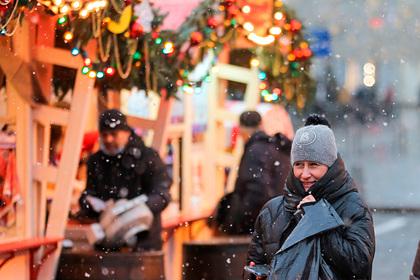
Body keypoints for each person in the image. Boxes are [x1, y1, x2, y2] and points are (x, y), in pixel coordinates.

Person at [246, 115, 375, 279]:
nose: (305, 174)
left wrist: (318, 219)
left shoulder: (352, 206)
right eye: (299, 165)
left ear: (330, 166)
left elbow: (358, 266)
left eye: (313, 164)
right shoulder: (272, 210)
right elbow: (255, 261)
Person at [78, 109, 172, 251]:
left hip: (144, 242)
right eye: (105, 135)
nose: (109, 139)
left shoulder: (147, 157)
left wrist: (135, 209)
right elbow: (89, 194)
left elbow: (162, 193)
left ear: (127, 133)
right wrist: (90, 203)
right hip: (109, 242)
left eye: (114, 134)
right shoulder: (96, 161)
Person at [213, 110, 291, 235]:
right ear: (261, 125)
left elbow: (257, 191)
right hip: (278, 220)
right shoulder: (274, 147)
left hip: (262, 225)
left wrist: (242, 222)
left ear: (241, 130)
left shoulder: (255, 150)